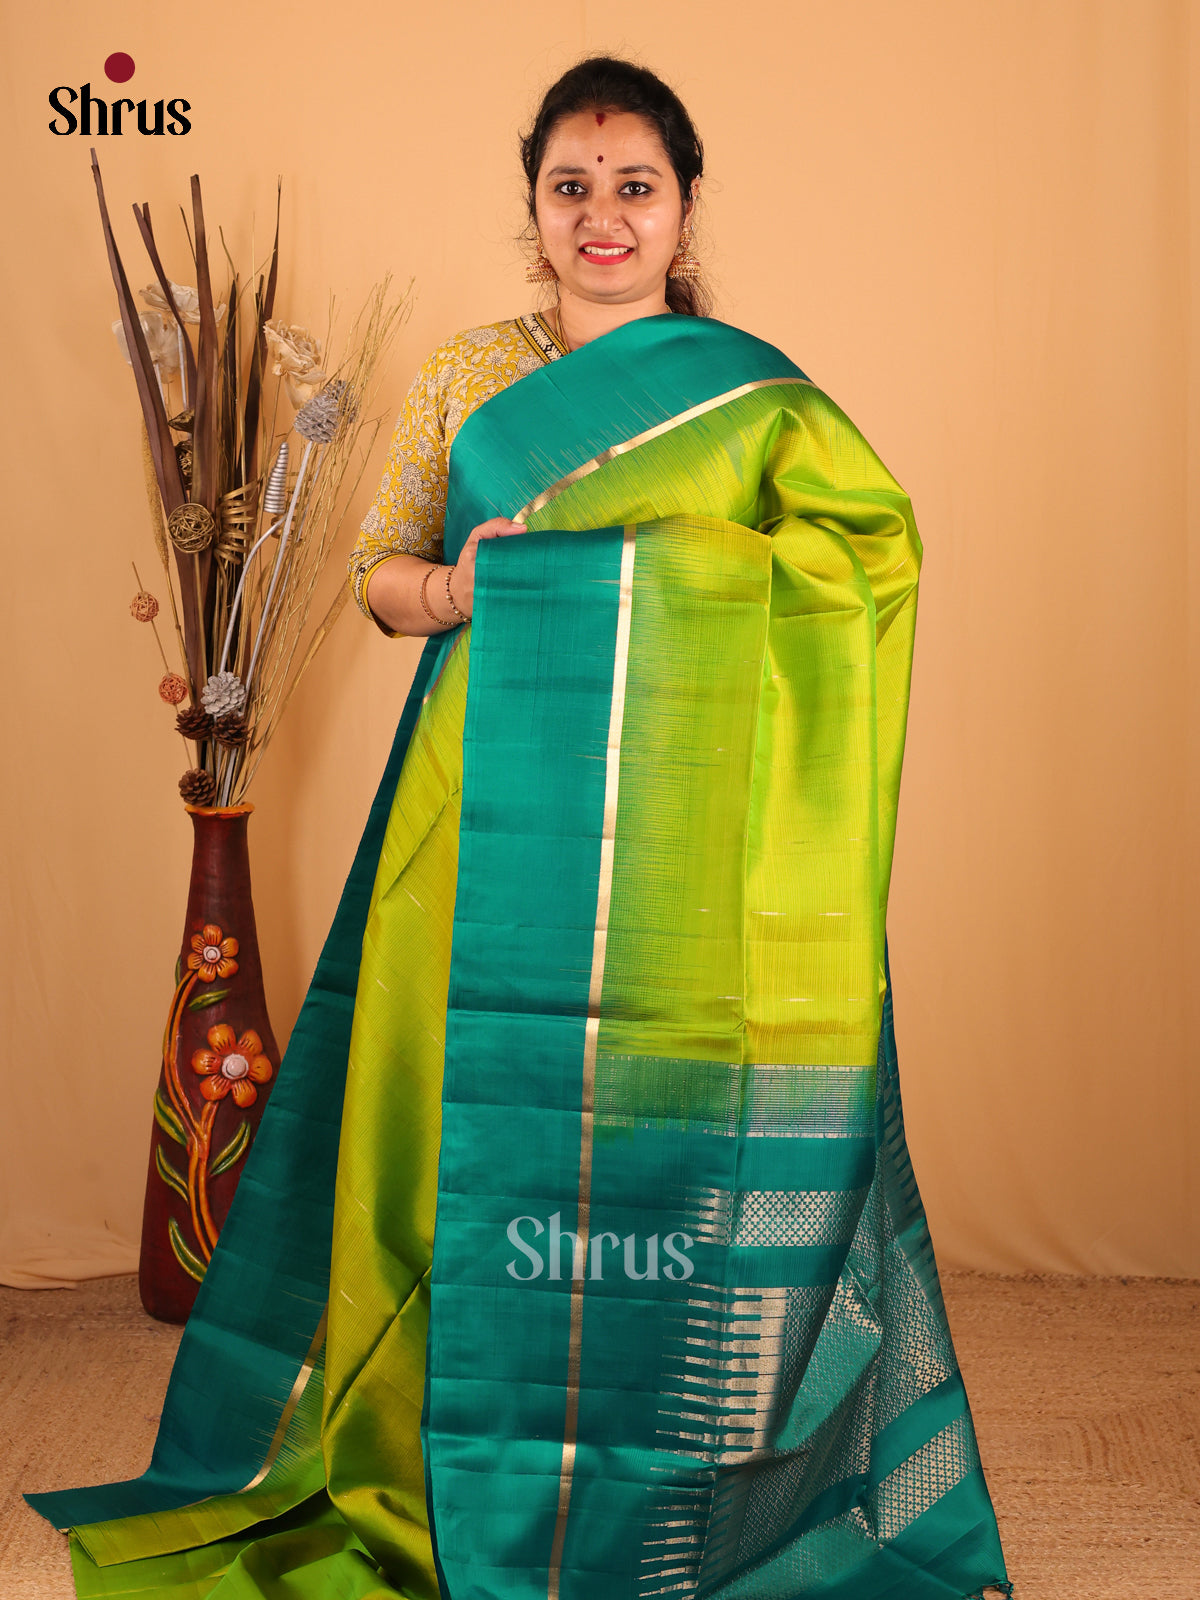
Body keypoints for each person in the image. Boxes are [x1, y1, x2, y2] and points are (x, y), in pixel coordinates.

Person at [28, 56, 1013, 1600]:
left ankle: (668, 1481)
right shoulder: (473, 377)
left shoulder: (744, 394)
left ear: (684, 206)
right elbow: (379, 575)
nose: (602, 215)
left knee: (656, 1152)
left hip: (675, 843)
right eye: (572, 187)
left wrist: (682, 577)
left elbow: (857, 567)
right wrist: (461, 586)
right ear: (534, 206)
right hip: (481, 821)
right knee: (465, 1136)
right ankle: (451, 1459)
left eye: (635, 187)